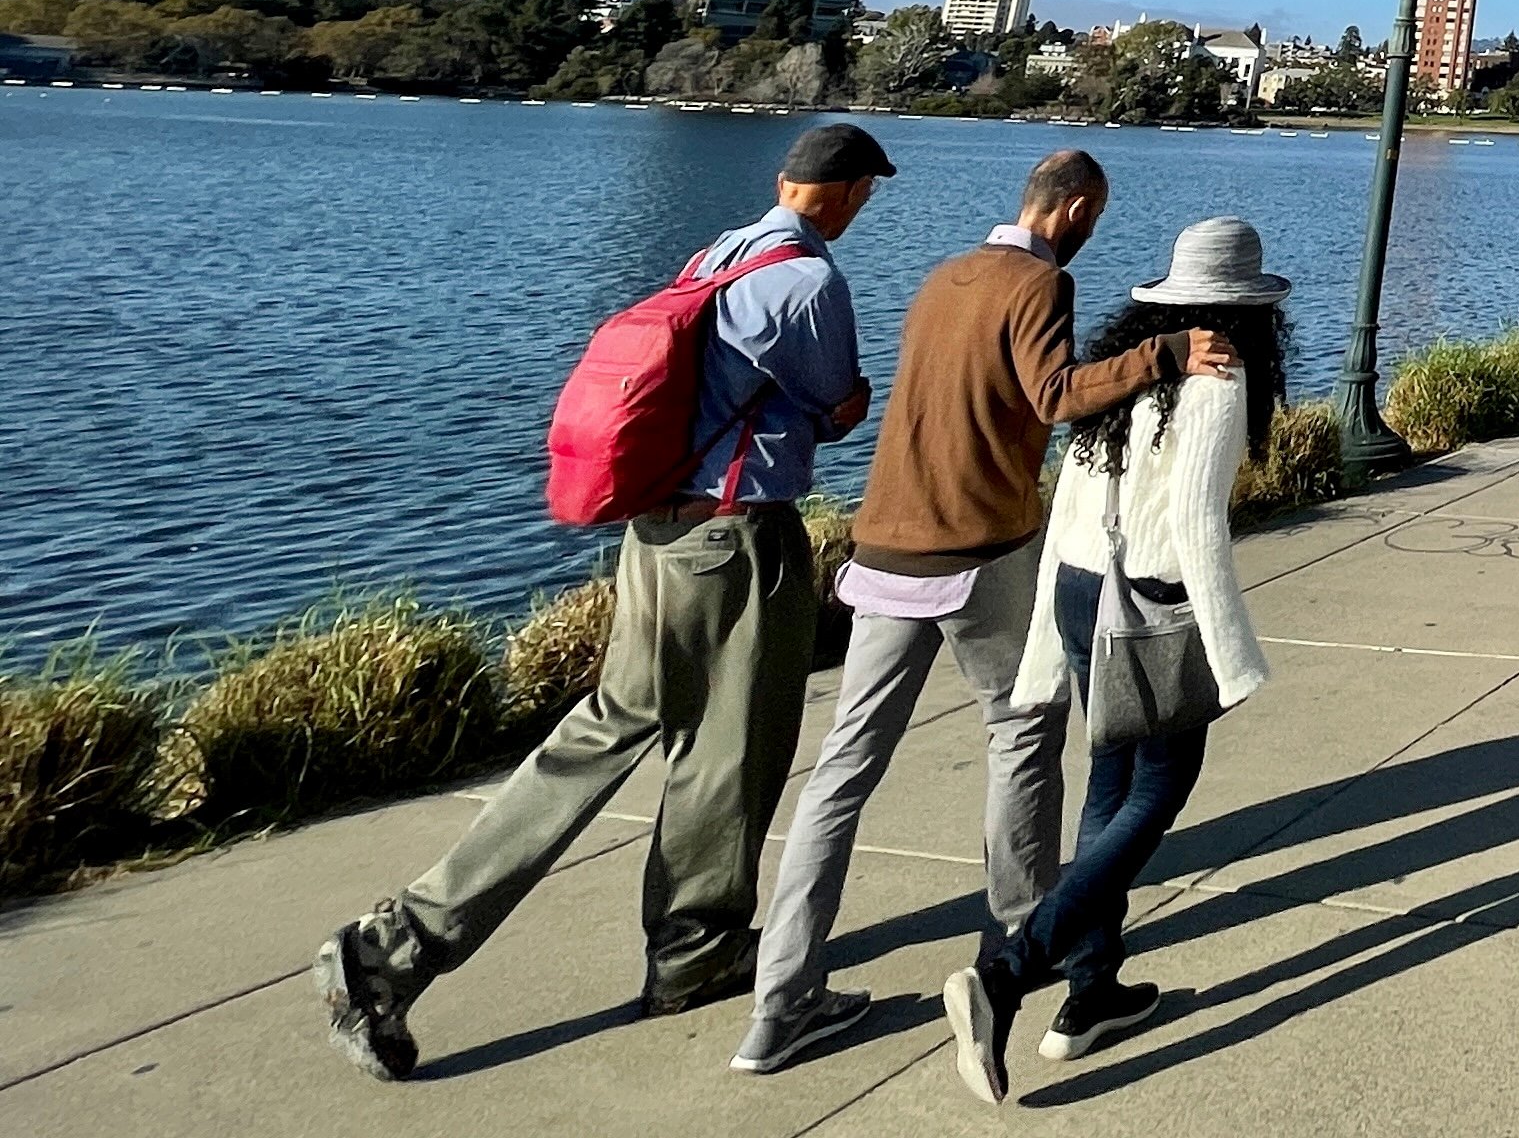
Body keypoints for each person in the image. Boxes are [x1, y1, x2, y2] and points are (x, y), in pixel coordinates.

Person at [317, 122, 891, 1081]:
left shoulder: (721, 251)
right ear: (845, 191)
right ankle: (692, 950)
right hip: (736, 536)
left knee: (606, 730)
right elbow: (833, 402)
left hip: (656, 532)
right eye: (867, 192)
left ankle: (400, 943)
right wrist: (843, 405)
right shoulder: (811, 280)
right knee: (731, 749)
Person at [735, 151, 1241, 1076]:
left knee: (841, 773)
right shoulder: (1039, 280)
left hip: (883, 545)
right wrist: (1165, 353)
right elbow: (1053, 394)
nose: (1090, 230)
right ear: (1075, 209)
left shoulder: (942, 277)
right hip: (975, 552)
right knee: (1024, 734)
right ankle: (1021, 951)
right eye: (1094, 216)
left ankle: (779, 1005)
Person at [943, 217, 1290, 1102]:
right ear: (1251, 309)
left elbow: (1070, 504)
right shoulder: (1220, 377)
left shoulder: (1127, 370)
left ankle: (1091, 995)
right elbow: (1200, 531)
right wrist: (1233, 657)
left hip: (1080, 587)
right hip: (1155, 601)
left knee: (1108, 784)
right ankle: (1009, 975)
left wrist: (1046, 651)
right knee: (1157, 792)